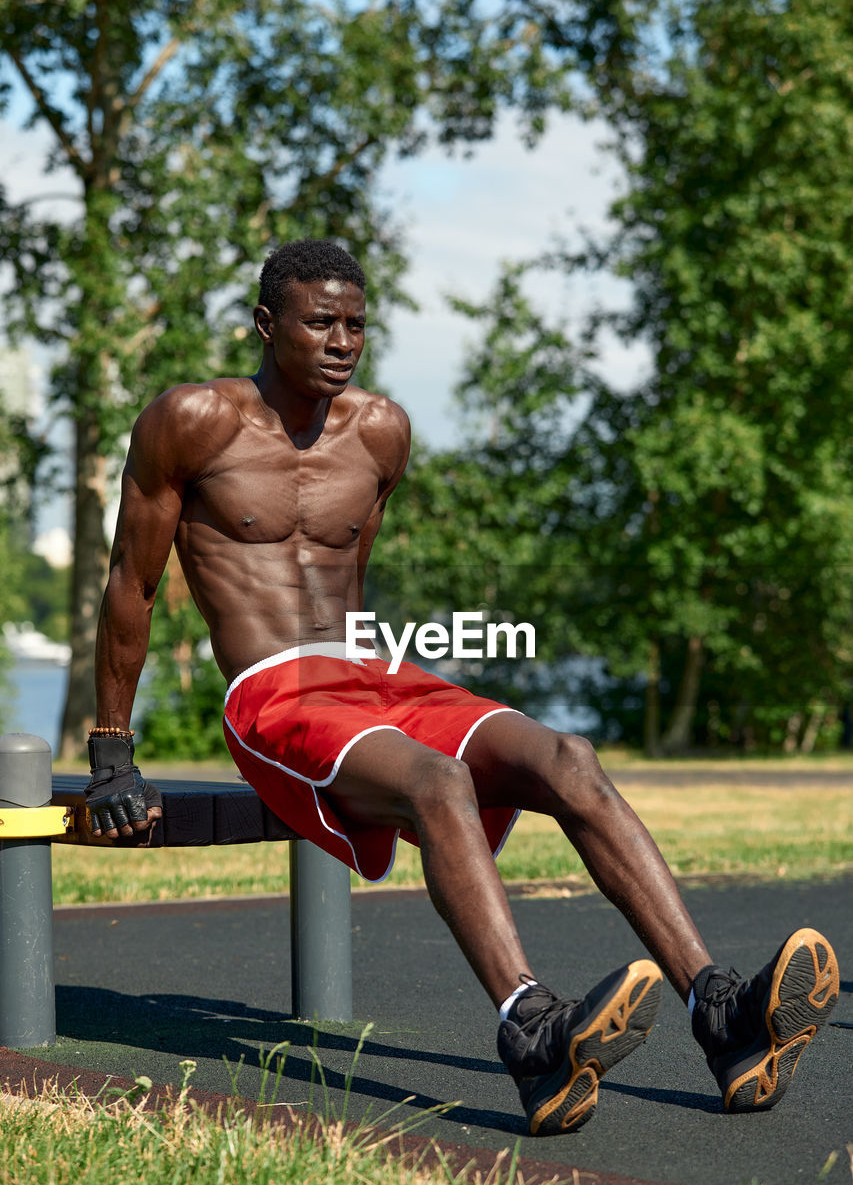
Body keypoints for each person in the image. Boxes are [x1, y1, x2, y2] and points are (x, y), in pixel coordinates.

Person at [85, 238, 839, 1137]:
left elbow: (346, 583)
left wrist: (377, 683)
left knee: (567, 758)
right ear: (265, 324)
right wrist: (111, 753)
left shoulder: (381, 431)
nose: (341, 340)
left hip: (374, 675)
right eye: (319, 321)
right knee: (436, 779)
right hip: (274, 696)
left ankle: (718, 1012)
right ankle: (529, 1030)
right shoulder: (191, 419)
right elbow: (132, 584)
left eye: (356, 324)